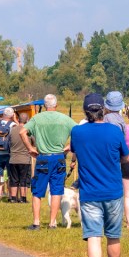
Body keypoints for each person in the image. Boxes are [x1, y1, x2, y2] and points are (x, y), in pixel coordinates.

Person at [71, 93, 129, 257]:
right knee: (113, 236)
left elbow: (75, 152)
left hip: (89, 192)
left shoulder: (77, 132)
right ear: (103, 110)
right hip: (112, 190)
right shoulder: (114, 131)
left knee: (93, 236)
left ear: (85, 111)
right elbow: (126, 158)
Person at [21, 95, 78, 229]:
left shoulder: (37, 118)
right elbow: (78, 132)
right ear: (56, 105)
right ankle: (52, 222)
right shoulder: (65, 119)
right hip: (59, 157)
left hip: (43, 157)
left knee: (37, 191)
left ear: (45, 106)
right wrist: (69, 147)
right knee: (56, 190)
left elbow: (22, 132)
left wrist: (30, 148)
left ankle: (36, 222)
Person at [8, 113, 33, 204]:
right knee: (23, 179)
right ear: (27, 120)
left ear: (18, 120)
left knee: (14, 179)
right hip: (24, 159)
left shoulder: (12, 130)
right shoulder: (28, 131)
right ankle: (23, 198)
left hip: (13, 158)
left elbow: (8, 142)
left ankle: (13, 198)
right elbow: (34, 142)